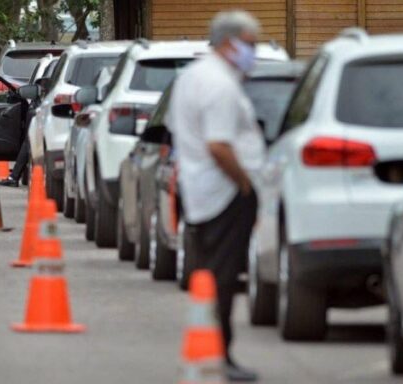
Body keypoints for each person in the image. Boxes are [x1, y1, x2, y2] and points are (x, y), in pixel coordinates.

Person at [167, 10, 264, 382]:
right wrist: (244, 182)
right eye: (251, 45)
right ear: (230, 43)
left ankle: (215, 348)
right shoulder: (219, 85)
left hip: (201, 190)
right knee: (224, 277)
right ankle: (219, 353)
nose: (253, 53)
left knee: (213, 274)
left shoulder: (193, 77)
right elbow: (220, 145)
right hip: (225, 192)